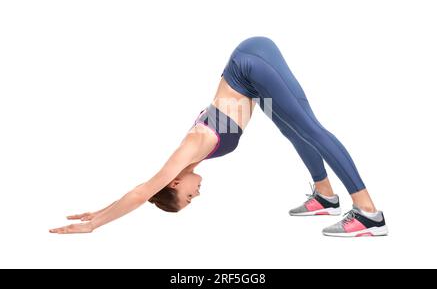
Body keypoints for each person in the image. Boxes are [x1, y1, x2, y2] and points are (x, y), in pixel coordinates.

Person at [50, 36, 387, 237]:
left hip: (250, 64)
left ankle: (368, 212)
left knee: (310, 129)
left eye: (188, 197)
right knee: (293, 131)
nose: (197, 193)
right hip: (252, 81)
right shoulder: (196, 156)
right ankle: (326, 197)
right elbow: (143, 190)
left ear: (173, 184)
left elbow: (141, 192)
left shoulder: (191, 147)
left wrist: (95, 225)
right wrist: (97, 211)